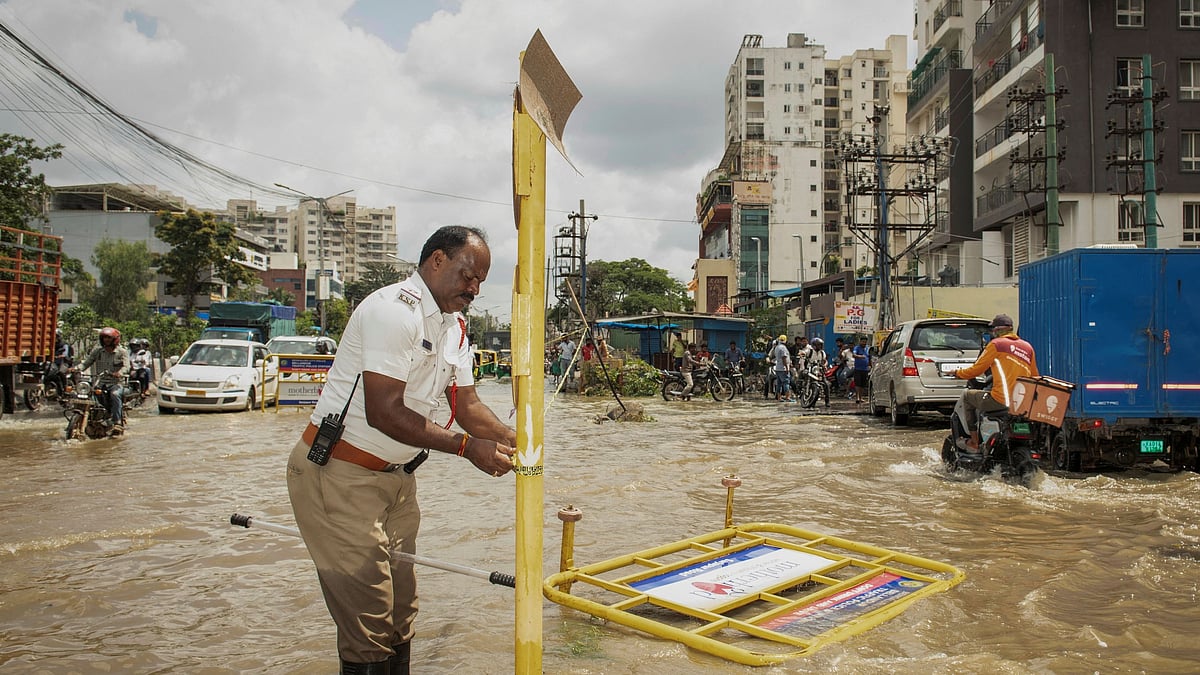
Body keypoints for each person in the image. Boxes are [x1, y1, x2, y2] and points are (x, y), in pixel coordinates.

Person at [286, 226, 516, 674]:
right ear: (436, 260)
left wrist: (512, 439)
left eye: (481, 282)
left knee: (400, 612)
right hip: (340, 475)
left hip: (397, 480)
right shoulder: (394, 311)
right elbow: (385, 413)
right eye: (469, 276)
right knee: (368, 623)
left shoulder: (454, 328)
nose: (474, 289)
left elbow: (467, 406)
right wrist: (469, 449)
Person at [954, 313, 1039, 451]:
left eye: (993, 330)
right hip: (1021, 403)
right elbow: (1035, 376)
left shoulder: (996, 345)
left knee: (967, 396)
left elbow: (976, 370)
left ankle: (975, 442)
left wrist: (958, 373)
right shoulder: (1027, 347)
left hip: (1000, 400)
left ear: (997, 330)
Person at [77, 327, 129, 430]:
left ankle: (116, 421)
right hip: (99, 382)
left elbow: (127, 367)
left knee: (115, 394)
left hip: (116, 383)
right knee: (84, 394)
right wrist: (76, 369)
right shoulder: (98, 351)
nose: (106, 340)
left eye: (109, 338)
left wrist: (119, 373)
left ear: (115, 339)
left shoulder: (122, 352)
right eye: (104, 338)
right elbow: (87, 362)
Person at [805, 337, 831, 409]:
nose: (820, 346)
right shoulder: (809, 351)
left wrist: (825, 365)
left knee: (826, 384)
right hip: (810, 370)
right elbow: (803, 355)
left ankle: (827, 401)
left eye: (820, 345)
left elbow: (825, 361)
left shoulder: (822, 353)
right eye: (818, 345)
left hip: (819, 371)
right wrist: (801, 354)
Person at [772, 334, 793, 402]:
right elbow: (784, 358)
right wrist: (786, 367)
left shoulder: (777, 347)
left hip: (778, 368)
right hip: (783, 368)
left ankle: (779, 397)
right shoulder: (783, 348)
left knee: (779, 384)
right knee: (786, 382)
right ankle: (787, 397)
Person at [852, 335, 871, 404]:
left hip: (865, 369)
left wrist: (870, 365)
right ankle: (857, 397)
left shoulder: (868, 348)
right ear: (860, 341)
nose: (864, 343)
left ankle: (861, 397)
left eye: (865, 342)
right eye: (862, 342)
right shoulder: (856, 348)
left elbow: (870, 357)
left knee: (863, 384)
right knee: (858, 383)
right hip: (858, 368)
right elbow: (853, 355)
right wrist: (860, 356)